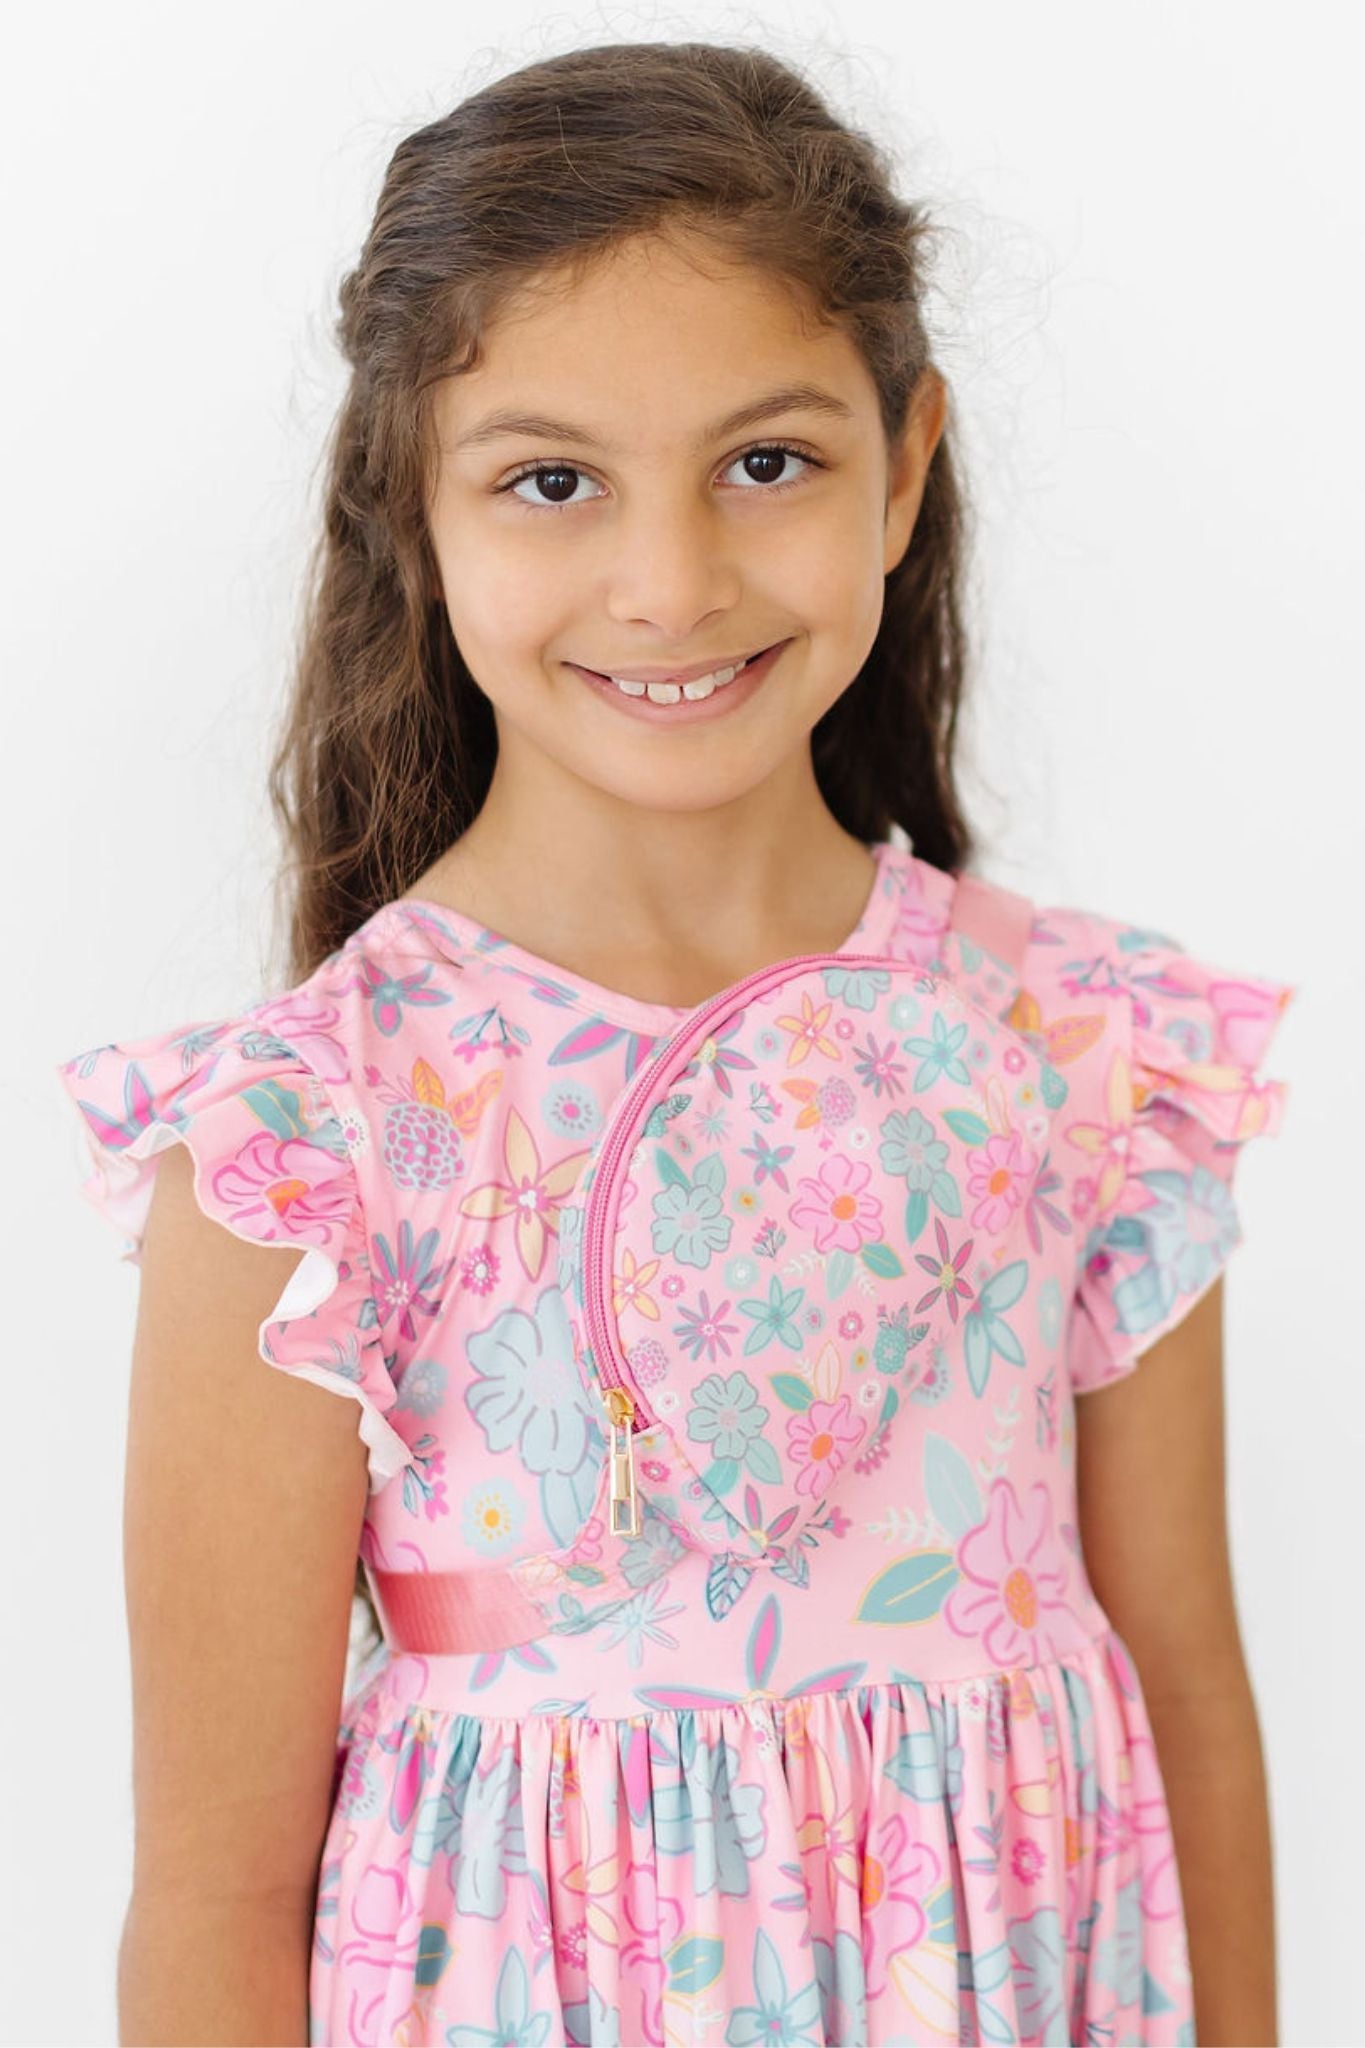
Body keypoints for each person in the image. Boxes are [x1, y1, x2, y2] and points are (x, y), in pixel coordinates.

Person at [54, 38, 1294, 2048]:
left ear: (904, 464)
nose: (669, 582)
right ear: (411, 504)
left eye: (766, 463)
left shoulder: (1084, 1052)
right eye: (551, 481)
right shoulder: (310, 1142)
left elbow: (1190, 1704)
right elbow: (214, 1891)